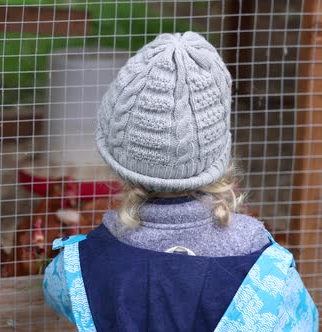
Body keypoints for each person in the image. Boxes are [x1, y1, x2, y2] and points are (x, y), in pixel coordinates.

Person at [43, 32, 319, 331]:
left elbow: (54, 291)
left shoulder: (83, 263)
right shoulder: (261, 261)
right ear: (218, 155)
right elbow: (304, 321)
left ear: (119, 161)